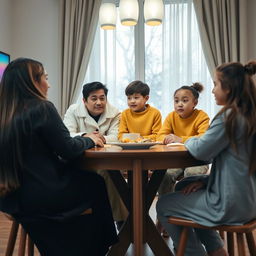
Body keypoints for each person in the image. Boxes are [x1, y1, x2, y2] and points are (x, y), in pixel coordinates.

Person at [0, 58, 118, 256]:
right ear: (32, 82)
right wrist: (89, 139)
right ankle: (104, 247)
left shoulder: (5, 113)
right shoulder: (41, 108)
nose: (49, 83)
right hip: (44, 195)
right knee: (96, 182)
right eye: (45, 78)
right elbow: (69, 149)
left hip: (12, 198)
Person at [156, 60, 256, 256]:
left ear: (229, 88)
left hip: (230, 205)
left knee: (163, 204)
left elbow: (201, 150)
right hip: (249, 200)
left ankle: (195, 253)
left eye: (215, 85)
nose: (212, 91)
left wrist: (185, 140)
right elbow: (236, 164)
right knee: (185, 185)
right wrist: (205, 180)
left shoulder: (230, 116)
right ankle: (217, 250)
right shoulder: (249, 114)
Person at [63, 82, 128, 228]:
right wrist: (86, 136)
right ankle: (115, 221)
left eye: (102, 98)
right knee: (104, 176)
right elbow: (66, 135)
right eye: (94, 98)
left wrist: (101, 138)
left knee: (110, 172)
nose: (99, 102)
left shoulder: (115, 112)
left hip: (106, 161)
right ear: (84, 101)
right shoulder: (73, 111)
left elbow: (118, 136)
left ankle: (121, 221)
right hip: (80, 161)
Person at [156, 82, 210, 237]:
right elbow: (160, 135)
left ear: (195, 103)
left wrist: (180, 139)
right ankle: (165, 219)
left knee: (191, 176)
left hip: (197, 159)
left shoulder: (201, 116)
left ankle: (189, 215)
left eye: (185, 100)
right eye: (176, 100)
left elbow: (203, 139)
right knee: (163, 176)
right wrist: (167, 138)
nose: (179, 104)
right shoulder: (171, 116)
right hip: (176, 160)